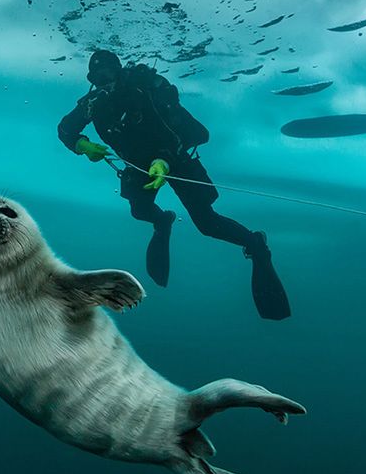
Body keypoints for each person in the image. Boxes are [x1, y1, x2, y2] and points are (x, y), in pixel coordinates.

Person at [57, 49, 290, 320]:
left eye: (108, 73)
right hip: (139, 166)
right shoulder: (93, 103)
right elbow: (65, 129)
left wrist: (164, 161)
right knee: (140, 211)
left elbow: (170, 134)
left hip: (176, 159)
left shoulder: (140, 93)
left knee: (206, 223)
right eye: (96, 77)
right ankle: (163, 221)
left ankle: (256, 244)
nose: (103, 81)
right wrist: (82, 145)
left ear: (119, 72)